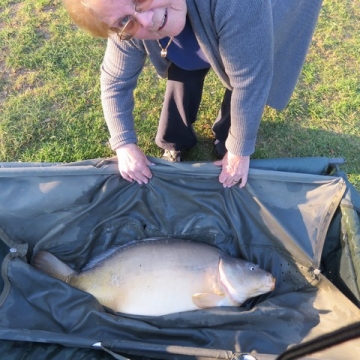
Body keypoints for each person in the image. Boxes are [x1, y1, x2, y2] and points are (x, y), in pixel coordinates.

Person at [63, 0, 323, 187]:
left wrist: (240, 149)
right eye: (123, 21)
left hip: (258, 15)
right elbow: (115, 80)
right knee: (183, 68)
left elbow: (250, 80)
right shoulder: (128, 24)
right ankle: (175, 142)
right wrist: (124, 144)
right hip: (191, 26)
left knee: (238, 81)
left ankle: (226, 140)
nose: (144, 19)